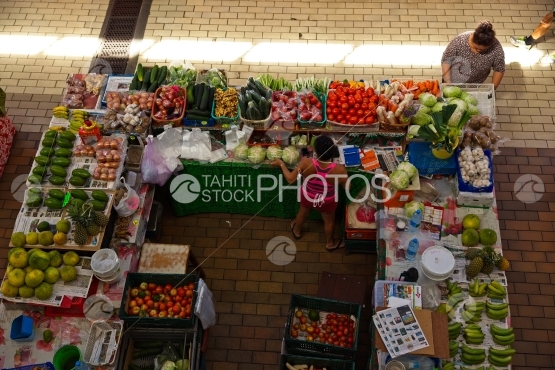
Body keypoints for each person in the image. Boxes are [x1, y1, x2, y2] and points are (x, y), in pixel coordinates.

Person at [271, 135, 348, 251]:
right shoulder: (339, 169)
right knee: (329, 221)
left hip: (308, 196)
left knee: (302, 214)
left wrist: (281, 164)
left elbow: (290, 179)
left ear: (315, 151)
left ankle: (297, 231)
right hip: (326, 200)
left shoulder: (306, 163)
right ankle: (330, 243)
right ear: (333, 152)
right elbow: (347, 187)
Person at [441, 21, 505, 90]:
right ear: (473, 37)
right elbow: (446, 60)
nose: (478, 51)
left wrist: (493, 88)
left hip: (474, 84)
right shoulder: (459, 41)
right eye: (476, 48)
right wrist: (447, 81)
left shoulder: (496, 48)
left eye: (482, 49)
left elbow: (499, 69)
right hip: (453, 80)